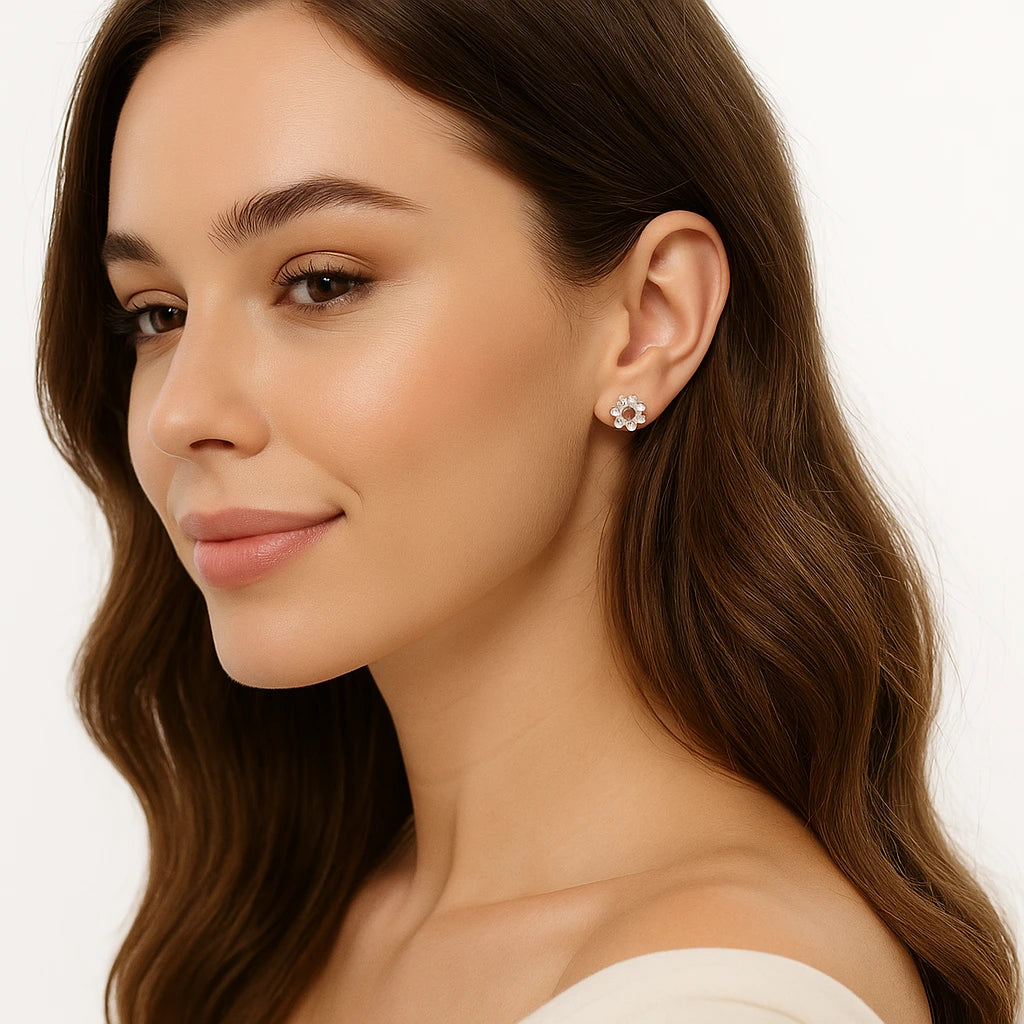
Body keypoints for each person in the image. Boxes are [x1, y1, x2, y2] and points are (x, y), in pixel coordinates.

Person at [36, 0, 1020, 1022]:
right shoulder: (294, 928)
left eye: (322, 283)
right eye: (156, 314)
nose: (183, 411)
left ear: (647, 321)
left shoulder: (714, 998)